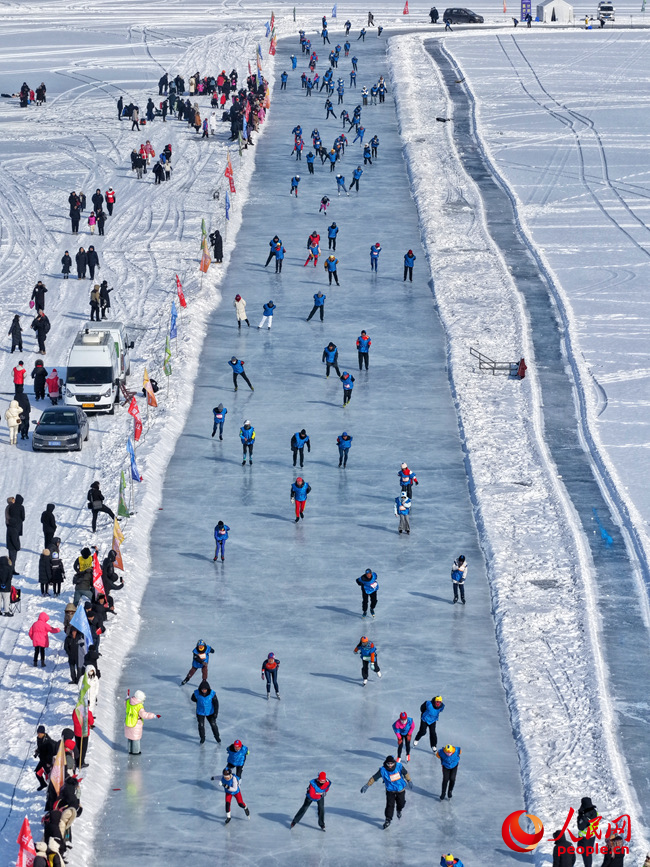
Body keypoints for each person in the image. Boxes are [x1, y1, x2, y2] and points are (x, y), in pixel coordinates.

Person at [360, 755, 412, 828]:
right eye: (388, 764)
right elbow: (374, 778)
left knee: (401, 803)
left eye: (391, 764)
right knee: (390, 805)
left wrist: (409, 781)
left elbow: (405, 773)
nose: (390, 765)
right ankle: (388, 819)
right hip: (390, 790)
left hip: (400, 789)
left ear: (394, 763)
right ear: (386, 763)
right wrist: (367, 785)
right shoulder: (383, 770)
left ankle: (399, 809)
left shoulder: (399, 766)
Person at [124, 690, 160, 754]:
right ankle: (135, 751)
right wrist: (153, 716)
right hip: (136, 725)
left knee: (130, 737)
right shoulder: (139, 706)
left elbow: (125, 703)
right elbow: (144, 715)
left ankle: (130, 750)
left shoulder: (129, 702)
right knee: (135, 739)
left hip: (128, 722)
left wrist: (126, 698)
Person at [191, 680, 220, 744]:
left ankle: (217, 737)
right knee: (201, 726)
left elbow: (216, 704)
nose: (203, 690)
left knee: (213, 725)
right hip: (200, 712)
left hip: (210, 712)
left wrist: (215, 713)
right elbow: (193, 698)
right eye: (202, 689)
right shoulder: (196, 693)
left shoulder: (212, 694)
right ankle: (202, 738)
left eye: (205, 689)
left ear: (208, 689)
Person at [576, 796, 599, 867]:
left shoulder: (584, 817)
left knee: (586, 855)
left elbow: (580, 827)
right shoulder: (595, 812)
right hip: (592, 835)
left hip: (585, 838)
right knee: (588, 851)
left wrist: (579, 817)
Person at [34, 724, 56, 790]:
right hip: (42, 759)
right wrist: (37, 751)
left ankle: (52, 788)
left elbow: (50, 752)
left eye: (40, 733)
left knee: (50, 776)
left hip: (47, 761)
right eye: (38, 733)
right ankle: (43, 784)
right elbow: (40, 747)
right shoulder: (39, 739)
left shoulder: (48, 741)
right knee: (38, 772)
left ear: (43, 733)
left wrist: (49, 762)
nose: (38, 734)